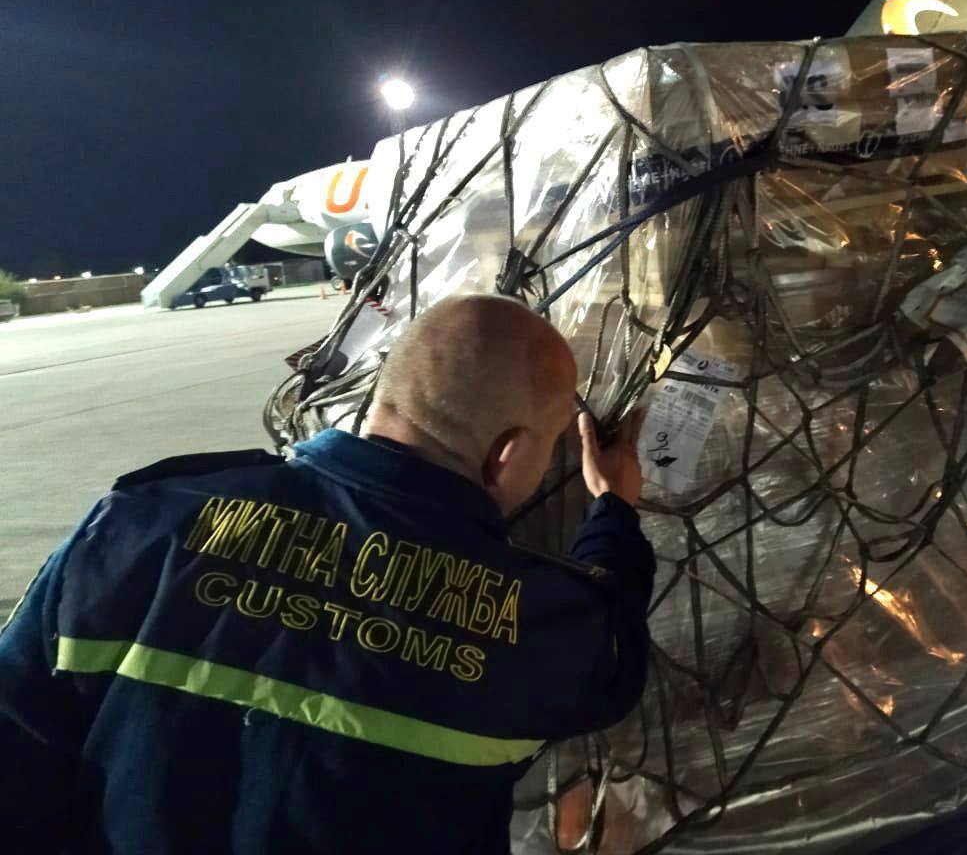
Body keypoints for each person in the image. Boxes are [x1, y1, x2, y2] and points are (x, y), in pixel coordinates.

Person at [0, 295, 654, 854]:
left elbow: (18, 737)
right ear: (507, 454)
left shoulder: (142, 522)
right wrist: (614, 511)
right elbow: (614, 656)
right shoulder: (538, 623)